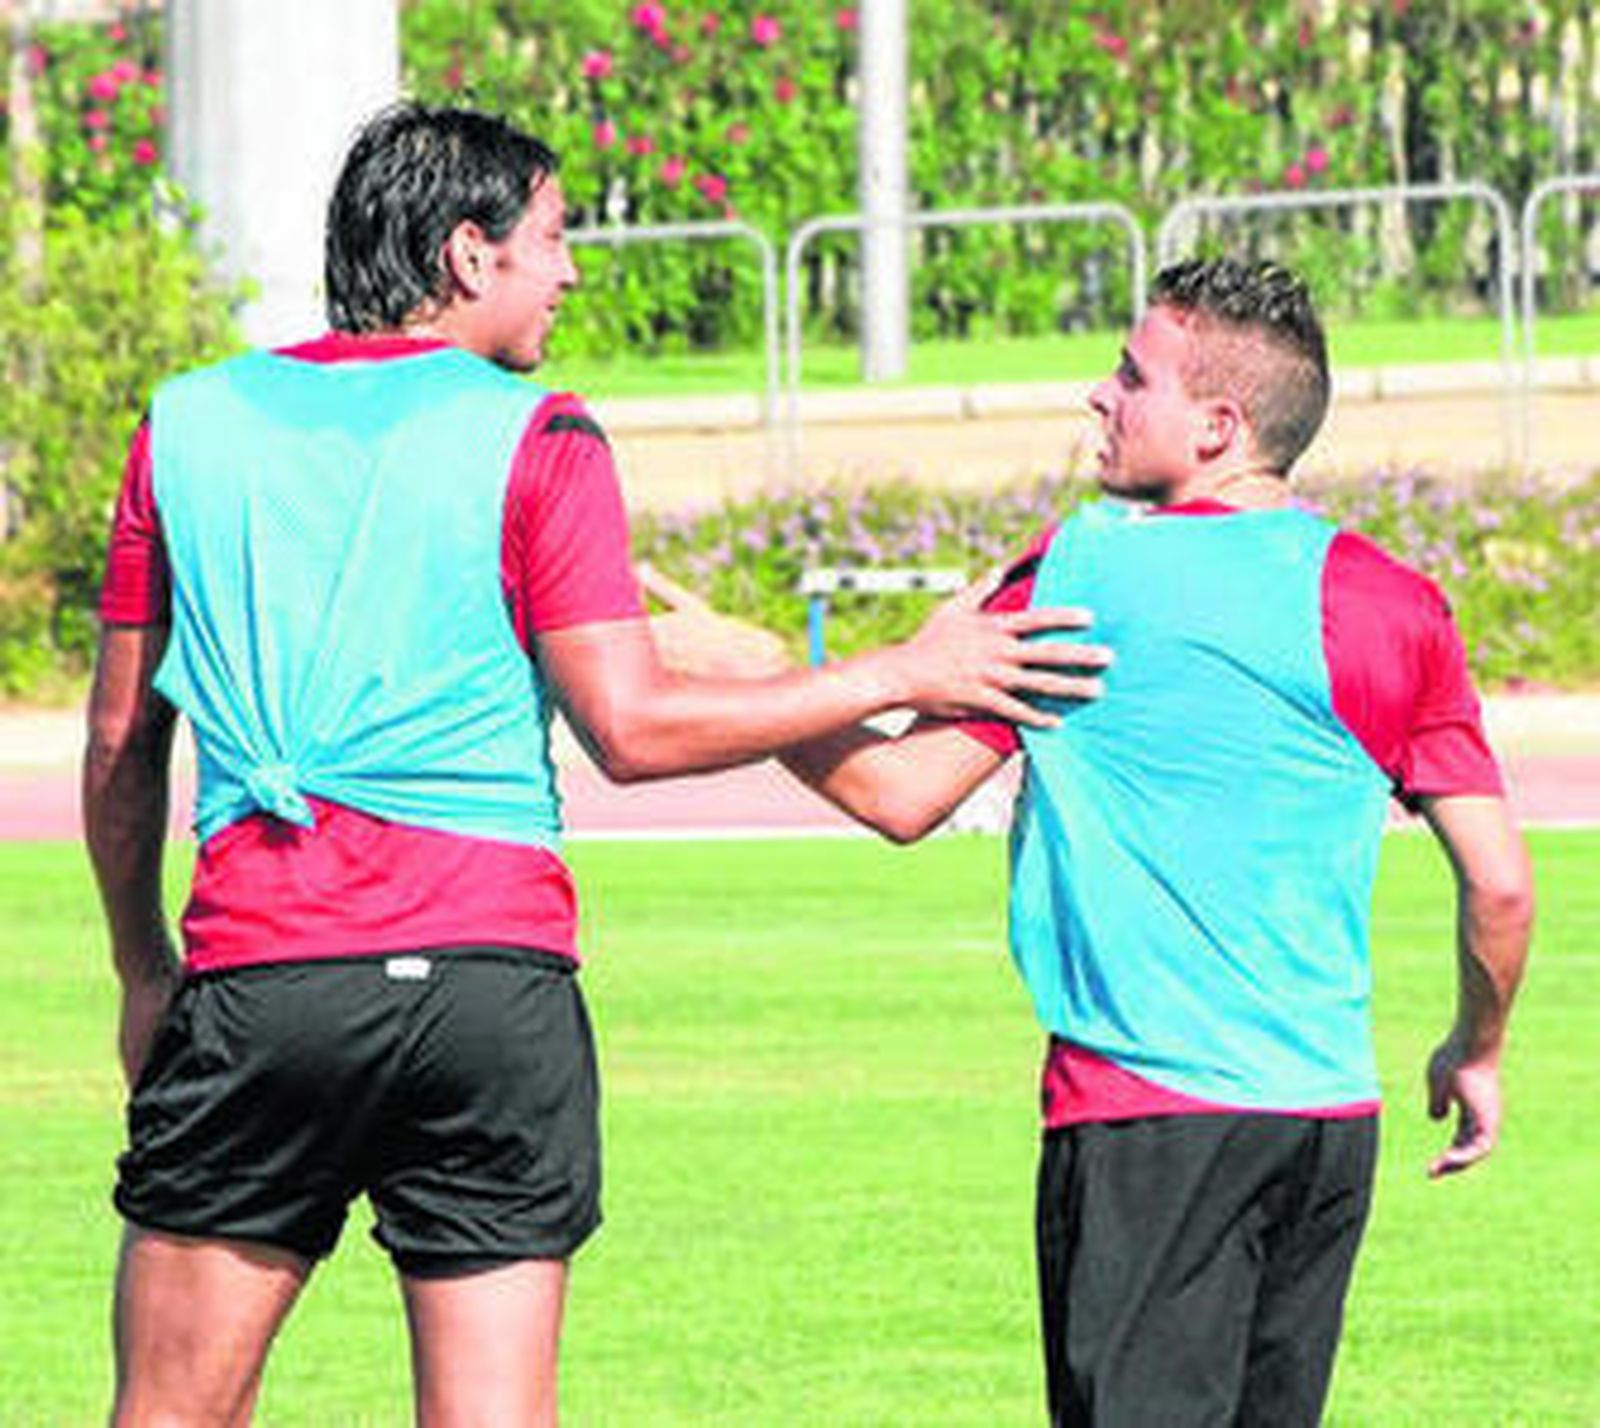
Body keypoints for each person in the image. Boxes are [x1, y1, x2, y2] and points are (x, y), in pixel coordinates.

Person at [82, 102, 1108, 1427]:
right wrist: (903, 671)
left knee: (168, 1412)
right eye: (554, 240)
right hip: (488, 997)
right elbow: (631, 728)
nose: (569, 272)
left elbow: (120, 745)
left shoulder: (186, 425)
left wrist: (139, 967)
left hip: (265, 978)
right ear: (468, 255)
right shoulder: (541, 434)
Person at [770, 258, 1535, 1426]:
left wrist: (763, 687)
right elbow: (1499, 888)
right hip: (1326, 1128)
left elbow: (897, 793)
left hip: (1141, 1119)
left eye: (1130, 378)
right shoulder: (1397, 602)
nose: (1097, 396)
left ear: (1219, 425)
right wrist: (1475, 1050)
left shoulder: (1080, 573)